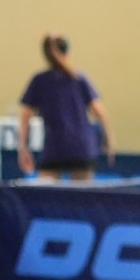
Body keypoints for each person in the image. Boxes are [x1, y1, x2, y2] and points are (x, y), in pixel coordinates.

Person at [18, 34, 115, 181]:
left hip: (55, 147)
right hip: (82, 147)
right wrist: (109, 139)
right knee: (81, 194)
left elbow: (25, 116)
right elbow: (100, 112)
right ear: (68, 51)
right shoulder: (79, 78)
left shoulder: (40, 81)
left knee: (46, 193)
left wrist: (23, 147)